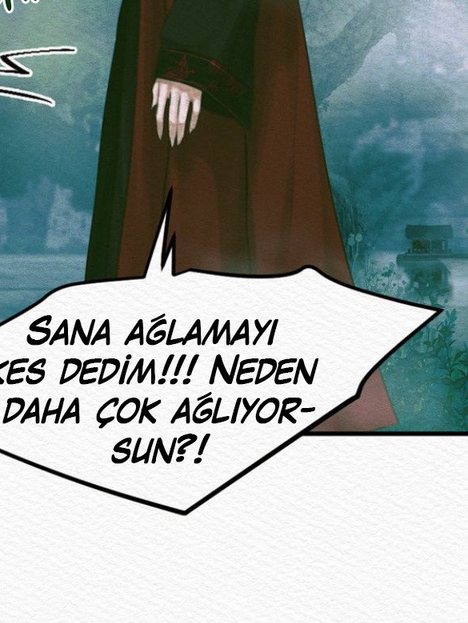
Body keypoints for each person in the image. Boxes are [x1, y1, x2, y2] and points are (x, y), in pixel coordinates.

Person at [85, 0, 397, 431]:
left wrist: (190, 54)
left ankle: (206, 416)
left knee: (205, 205)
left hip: (212, 33)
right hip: (190, 24)